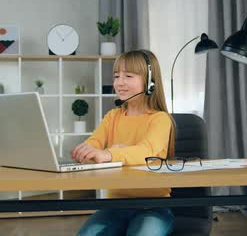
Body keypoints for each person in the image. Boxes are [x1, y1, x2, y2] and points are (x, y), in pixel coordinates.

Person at [71, 49, 176, 236]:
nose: (119, 83)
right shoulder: (113, 117)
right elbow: (94, 142)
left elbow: (147, 151)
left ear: (150, 82)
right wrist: (87, 151)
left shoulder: (160, 119)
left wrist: (110, 153)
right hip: (115, 206)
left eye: (128, 76)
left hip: (153, 207)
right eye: (117, 76)